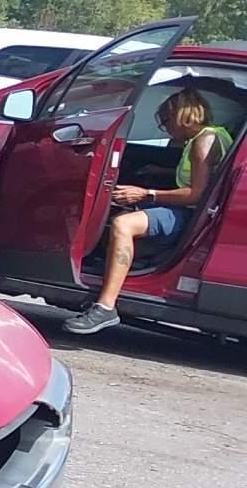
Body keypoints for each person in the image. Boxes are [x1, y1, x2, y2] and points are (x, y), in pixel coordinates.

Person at [62, 83, 233, 335]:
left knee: (123, 225)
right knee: (122, 209)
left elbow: (196, 193)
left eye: (166, 121)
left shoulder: (203, 142)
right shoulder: (212, 135)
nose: (166, 129)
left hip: (190, 214)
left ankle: (106, 306)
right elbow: (204, 177)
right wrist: (159, 172)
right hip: (191, 210)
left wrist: (146, 193)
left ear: (180, 116)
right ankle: (116, 272)